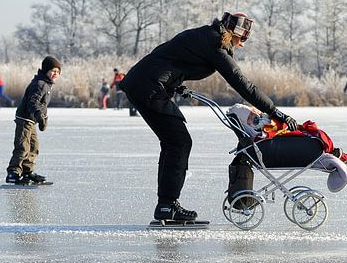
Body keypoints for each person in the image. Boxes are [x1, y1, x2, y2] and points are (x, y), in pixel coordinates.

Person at [119, 11, 298, 223]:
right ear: (233, 33)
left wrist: (176, 83)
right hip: (149, 87)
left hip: (146, 83)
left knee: (174, 142)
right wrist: (274, 112)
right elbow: (243, 84)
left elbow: (170, 57)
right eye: (242, 39)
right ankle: (167, 205)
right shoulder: (215, 45)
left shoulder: (205, 35)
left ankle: (166, 205)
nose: (241, 45)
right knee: (179, 142)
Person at [5, 56, 62, 185]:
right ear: (46, 70)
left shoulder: (47, 84)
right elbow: (33, 103)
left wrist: (44, 119)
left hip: (31, 120)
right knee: (22, 147)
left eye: (58, 72)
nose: (55, 74)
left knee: (34, 147)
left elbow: (43, 105)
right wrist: (39, 116)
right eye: (53, 71)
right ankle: (13, 172)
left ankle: (27, 171)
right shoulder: (40, 84)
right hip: (25, 119)